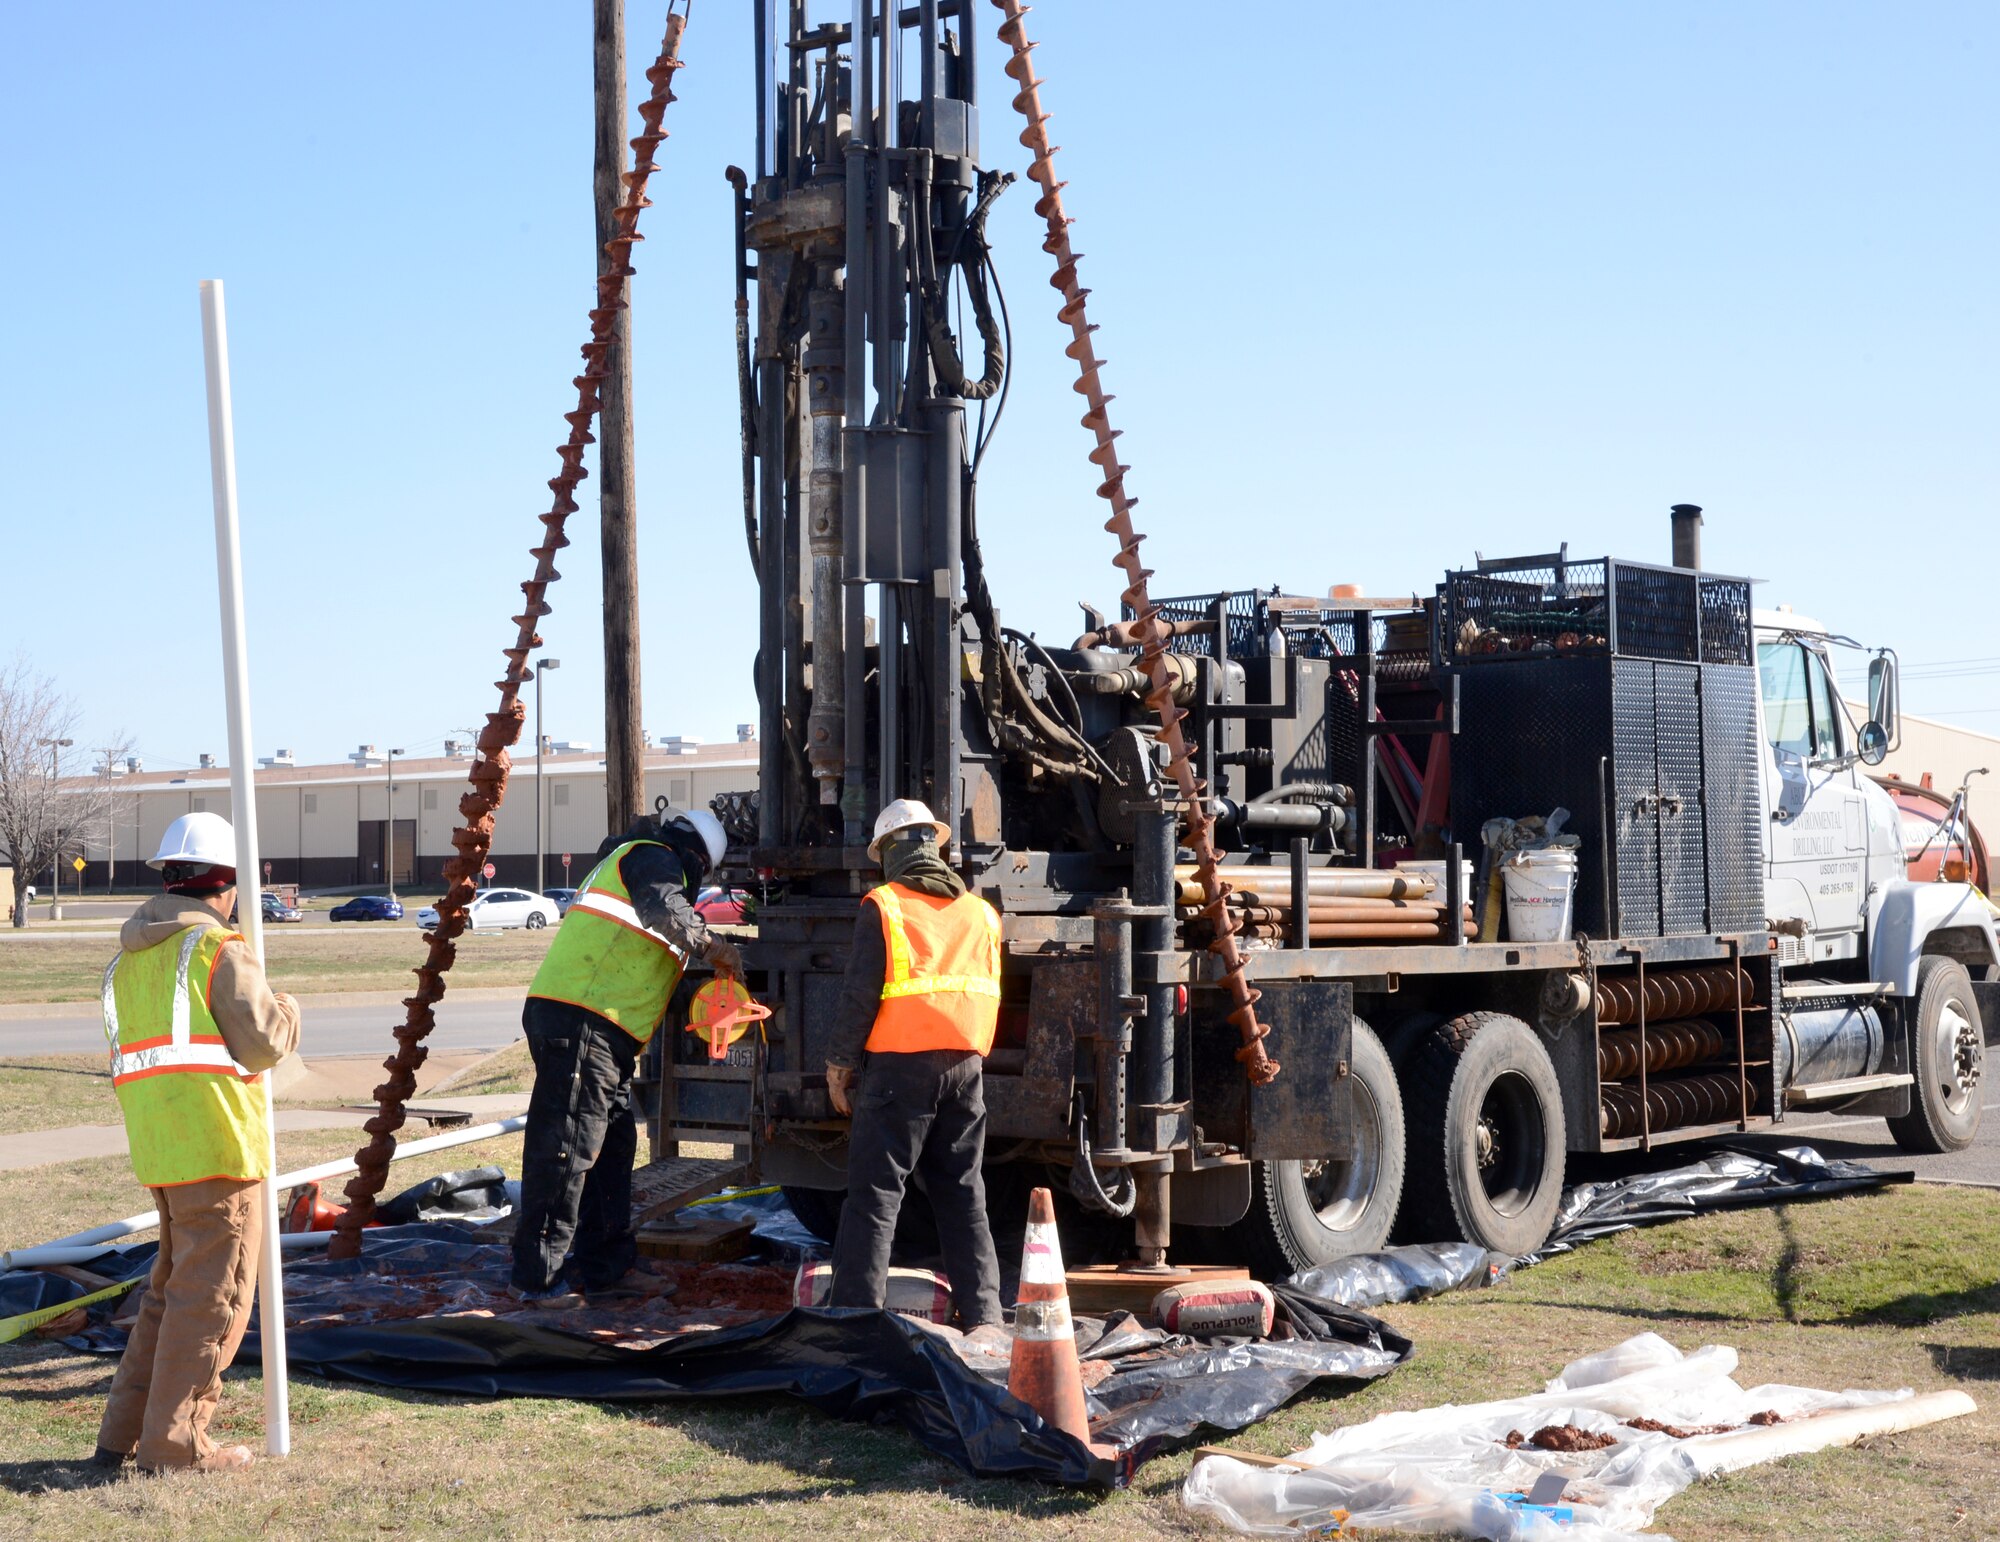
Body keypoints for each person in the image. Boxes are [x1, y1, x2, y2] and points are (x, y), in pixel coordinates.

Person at [94, 812, 300, 1474]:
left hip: (164, 1154)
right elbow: (264, 1040)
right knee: (213, 1302)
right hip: (221, 1151)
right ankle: (176, 1448)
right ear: (226, 884)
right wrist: (289, 1007)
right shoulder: (215, 950)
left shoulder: (129, 960)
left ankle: (120, 1437)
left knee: (167, 1298)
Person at [510, 805, 741, 1300]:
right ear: (699, 857)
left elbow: (647, 965)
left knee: (612, 1149)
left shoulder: (654, 874)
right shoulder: (652, 858)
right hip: (583, 1018)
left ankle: (608, 1266)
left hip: (602, 1030)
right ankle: (537, 1283)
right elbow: (664, 911)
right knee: (565, 1150)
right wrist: (712, 944)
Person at [825, 799, 1004, 1328]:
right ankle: (986, 1317)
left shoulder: (884, 905)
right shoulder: (981, 912)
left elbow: (861, 995)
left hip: (900, 1071)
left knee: (875, 1197)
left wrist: (839, 1065)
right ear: (934, 846)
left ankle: (855, 1321)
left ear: (890, 853)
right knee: (963, 1193)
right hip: (965, 1068)